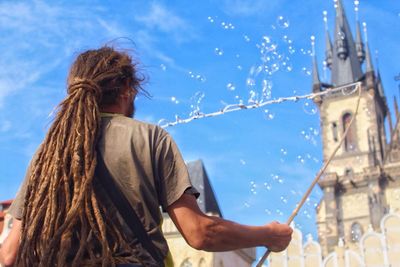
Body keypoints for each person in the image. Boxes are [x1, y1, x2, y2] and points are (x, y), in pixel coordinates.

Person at [0, 46, 292, 267]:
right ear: (127, 89)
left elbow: (10, 255)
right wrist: (267, 234)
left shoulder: (48, 154)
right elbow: (200, 233)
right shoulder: (151, 138)